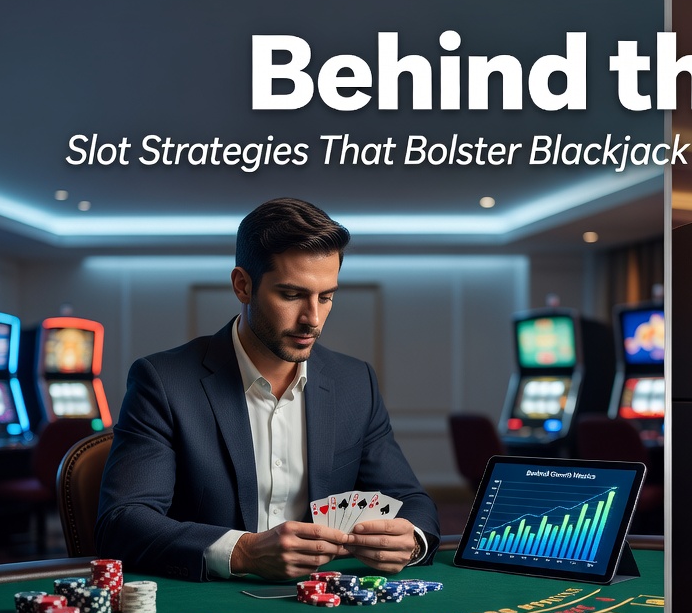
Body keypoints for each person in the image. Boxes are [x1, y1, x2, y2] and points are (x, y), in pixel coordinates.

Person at [96, 198, 438, 581]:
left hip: (323, 605)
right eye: (292, 295)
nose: (312, 319)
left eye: (326, 297)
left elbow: (412, 501)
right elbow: (122, 522)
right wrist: (243, 551)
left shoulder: (356, 382)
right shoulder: (162, 381)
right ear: (243, 285)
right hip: (208, 608)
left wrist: (412, 539)